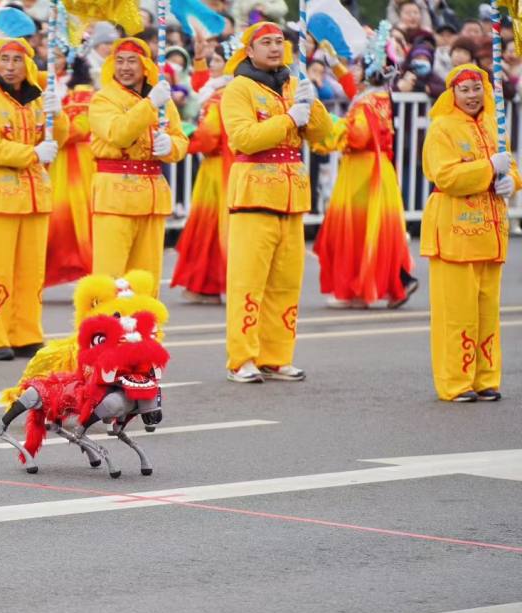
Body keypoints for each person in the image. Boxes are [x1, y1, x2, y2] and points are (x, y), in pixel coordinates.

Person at [220, 21, 332, 383]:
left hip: (291, 197)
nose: (274, 48)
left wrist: (312, 103)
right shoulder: (239, 88)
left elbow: (323, 135)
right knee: (248, 283)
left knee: (285, 283)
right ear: (249, 51)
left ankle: (277, 356)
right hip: (254, 194)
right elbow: (244, 138)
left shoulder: (293, 84)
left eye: (279, 42)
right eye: (266, 42)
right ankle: (242, 358)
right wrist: (288, 119)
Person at [0, 38, 69, 360]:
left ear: (29, 64)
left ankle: (26, 334)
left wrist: (57, 114)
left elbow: (57, 139)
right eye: (5, 59)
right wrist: (31, 153)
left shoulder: (37, 98)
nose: (10, 67)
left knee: (30, 271)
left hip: (35, 195)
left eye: (17, 60)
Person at [421, 64, 518, 402]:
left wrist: (511, 181)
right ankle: (455, 383)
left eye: (477, 88)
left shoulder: (493, 123)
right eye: (464, 90)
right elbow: (445, 176)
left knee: (487, 313)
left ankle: (485, 378)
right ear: (452, 94)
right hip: (454, 231)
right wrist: (489, 168)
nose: (472, 95)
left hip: (491, 233)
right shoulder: (441, 128)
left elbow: (511, 167)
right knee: (456, 314)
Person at [314, 29, 418, 310]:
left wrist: (332, 125)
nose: (353, 70)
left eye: (359, 66)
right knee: (377, 229)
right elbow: (352, 89)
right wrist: (335, 64)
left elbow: (357, 137)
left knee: (357, 231)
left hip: (364, 172)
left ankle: (359, 290)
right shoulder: (378, 96)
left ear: (370, 71)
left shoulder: (367, 103)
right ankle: (397, 281)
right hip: (377, 168)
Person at [88, 37, 189, 293]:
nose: (125, 67)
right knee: (110, 279)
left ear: (145, 65)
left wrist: (171, 146)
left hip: (152, 196)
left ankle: (144, 320)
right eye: (119, 61)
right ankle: (104, 320)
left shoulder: (161, 99)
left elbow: (180, 139)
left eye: (132, 61)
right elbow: (118, 133)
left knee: (146, 279)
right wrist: (150, 104)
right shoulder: (103, 99)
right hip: (115, 196)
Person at [170, 46, 233, 304]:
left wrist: (186, 137)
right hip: (231, 166)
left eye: (217, 60)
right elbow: (200, 83)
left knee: (210, 227)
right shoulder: (236, 92)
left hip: (217, 169)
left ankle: (208, 285)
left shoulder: (219, 98)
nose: (213, 64)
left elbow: (209, 136)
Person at [45, 55, 95, 288]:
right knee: (52, 219)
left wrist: (57, 118)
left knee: (81, 216)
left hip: (78, 162)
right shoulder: (42, 87)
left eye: (60, 55)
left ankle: (91, 271)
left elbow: (81, 128)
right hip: (52, 160)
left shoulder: (82, 91)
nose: (54, 60)